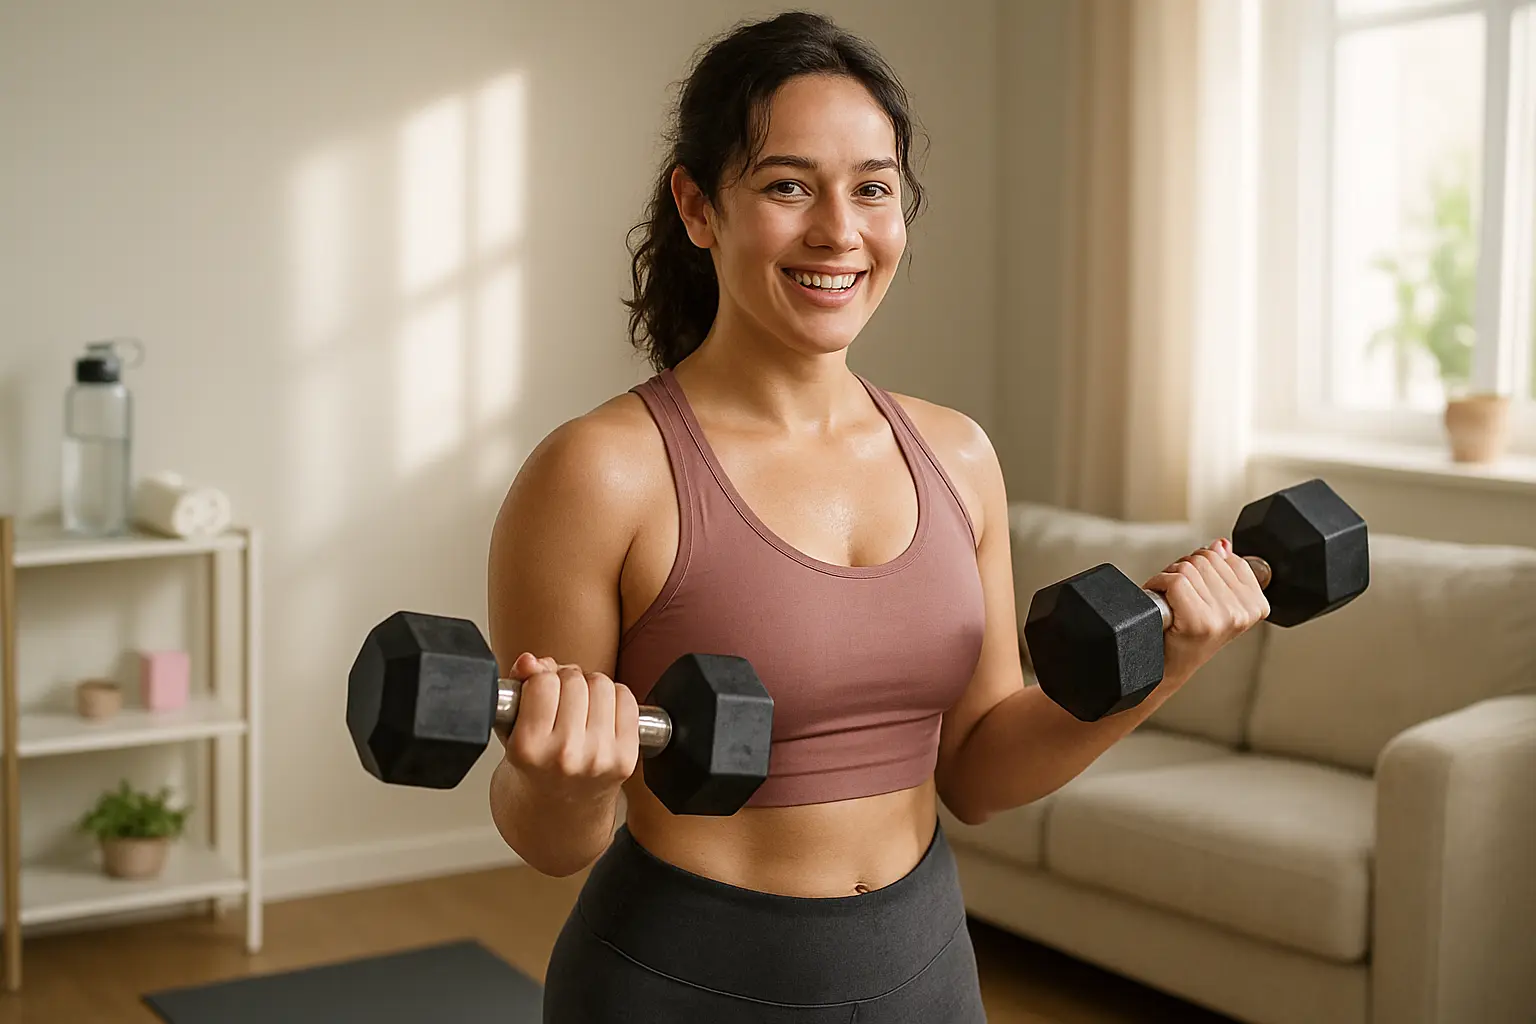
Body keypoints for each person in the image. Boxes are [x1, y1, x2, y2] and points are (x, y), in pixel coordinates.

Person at [485, 11, 1269, 1023]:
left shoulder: (958, 456)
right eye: (785, 185)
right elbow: (549, 840)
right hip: (682, 979)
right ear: (697, 205)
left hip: (924, 968)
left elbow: (980, 770)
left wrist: (1172, 660)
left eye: (872, 188)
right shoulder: (601, 473)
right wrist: (570, 778)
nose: (838, 231)